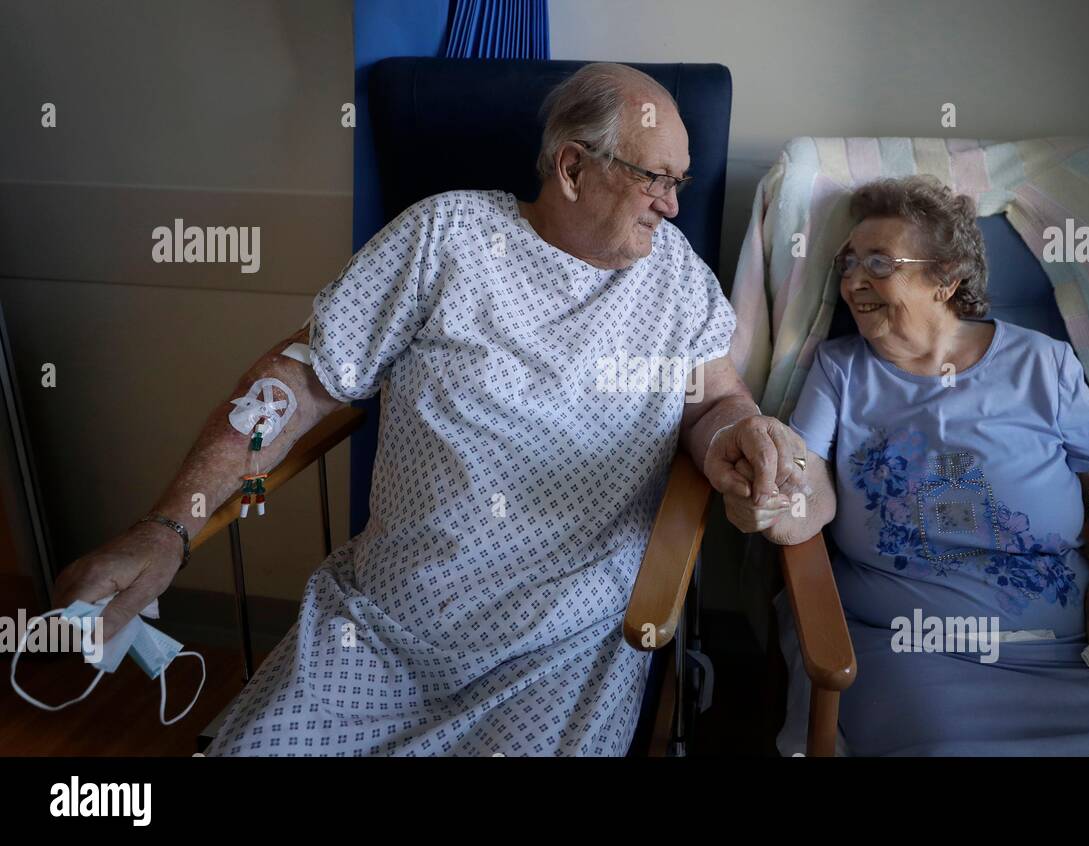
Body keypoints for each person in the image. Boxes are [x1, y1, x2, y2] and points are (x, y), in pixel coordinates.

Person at [53, 63, 806, 756]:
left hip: (560, 645)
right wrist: (167, 529)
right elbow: (298, 384)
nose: (674, 205)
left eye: (681, 181)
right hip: (384, 626)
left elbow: (713, 402)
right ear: (573, 168)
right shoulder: (444, 236)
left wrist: (737, 435)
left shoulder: (674, 276)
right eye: (654, 179)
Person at [723, 175, 1089, 756]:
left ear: (946, 278)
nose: (852, 281)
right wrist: (776, 503)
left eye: (879, 262)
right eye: (847, 263)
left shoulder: (1041, 365)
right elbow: (812, 485)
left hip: (1069, 648)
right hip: (913, 651)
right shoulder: (840, 370)